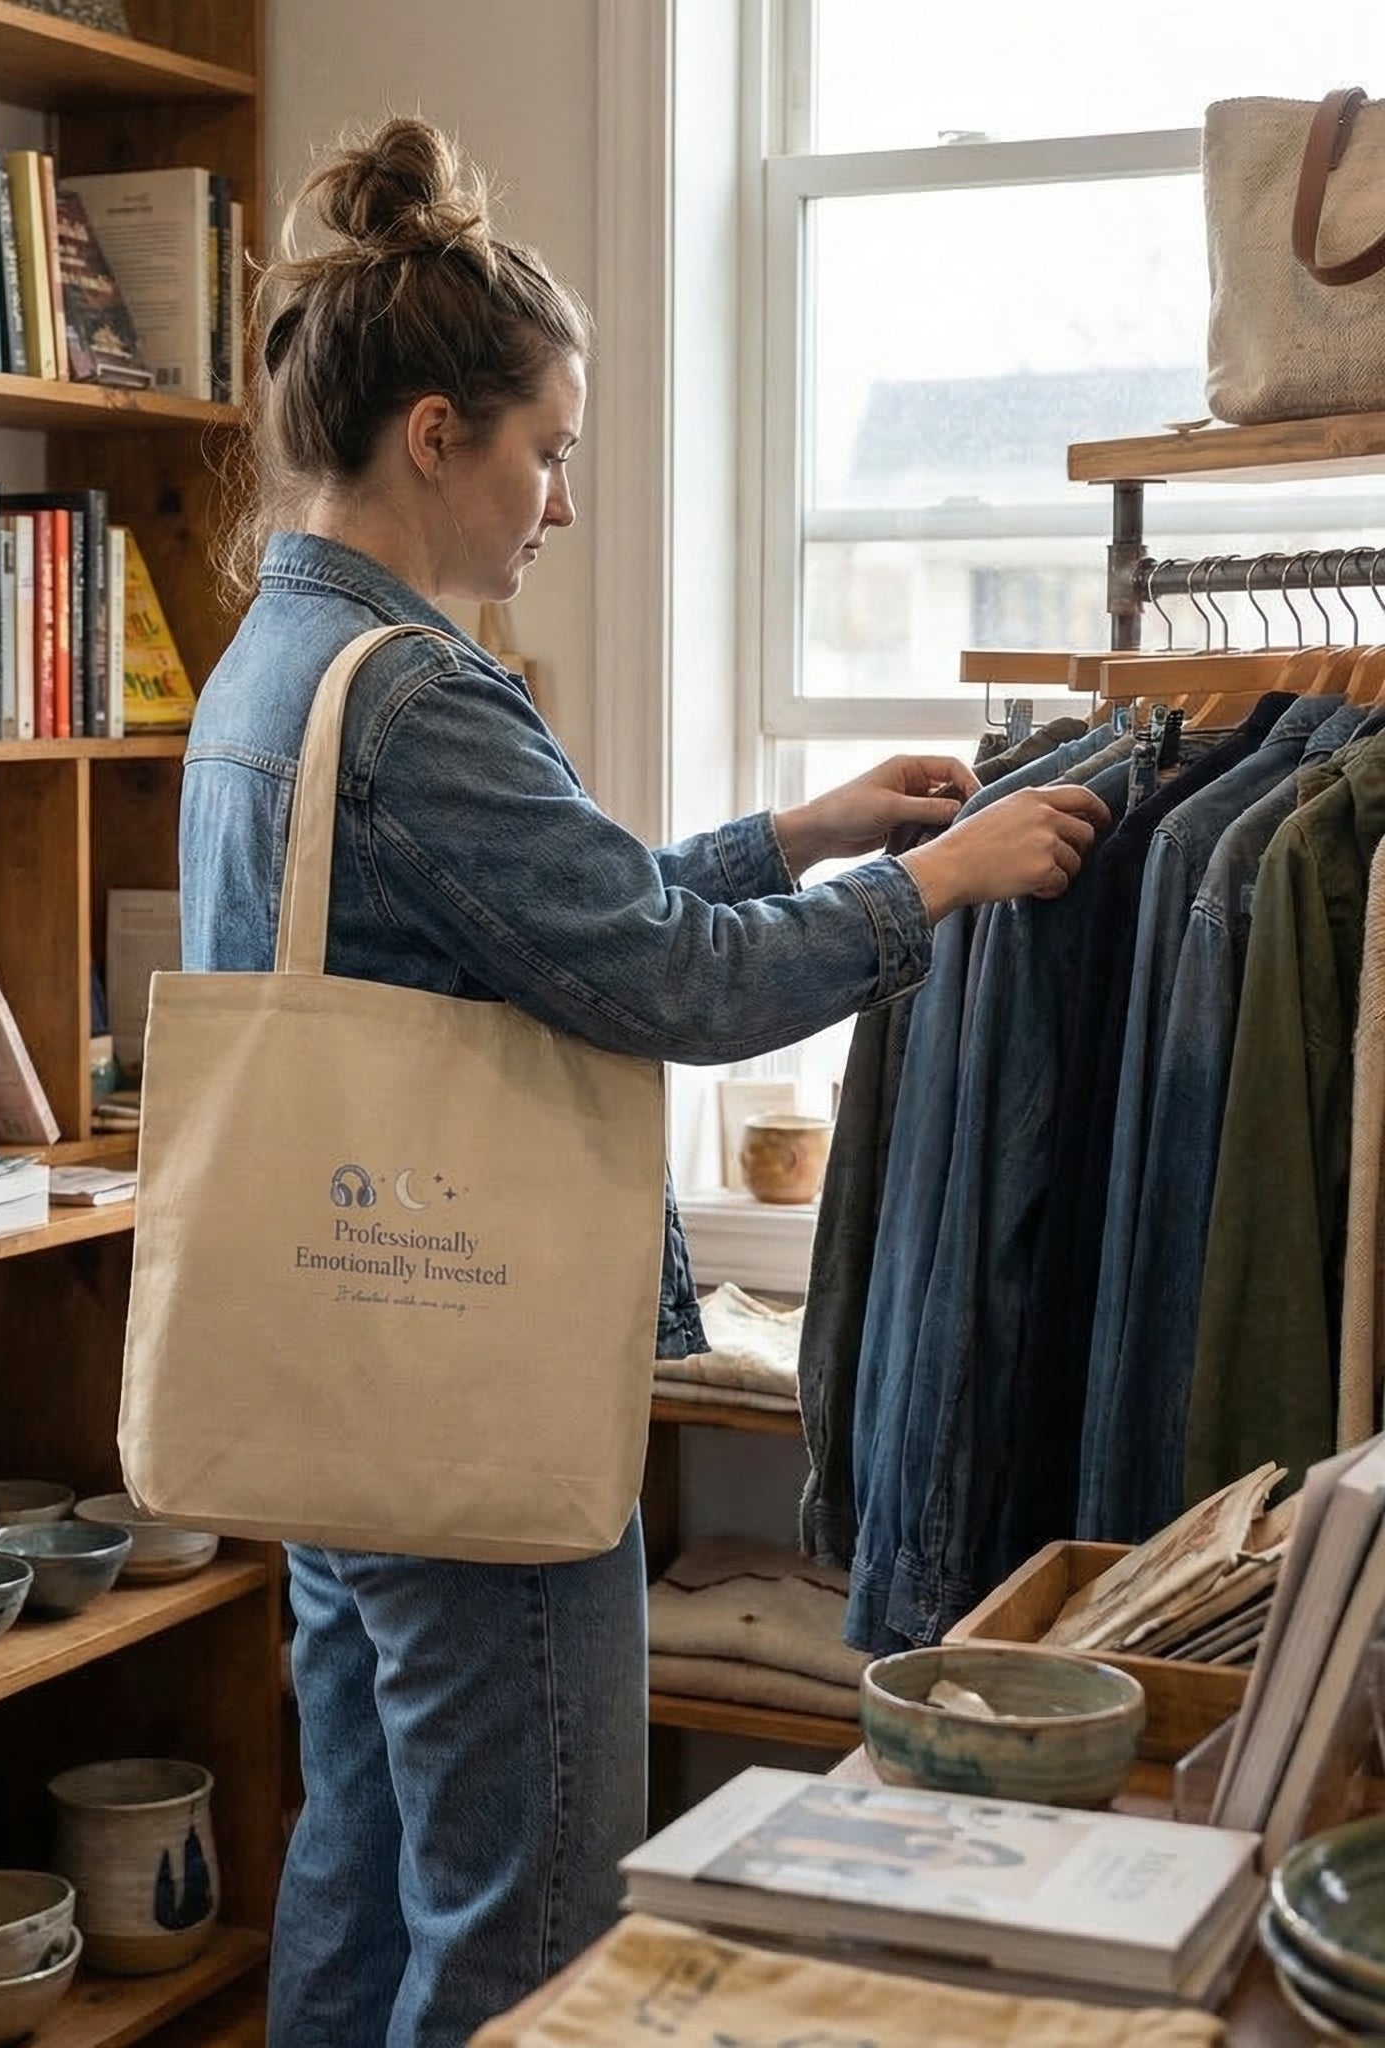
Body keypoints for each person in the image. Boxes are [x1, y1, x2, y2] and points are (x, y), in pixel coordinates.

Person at [178, 115, 1108, 2048]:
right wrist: (924, 882)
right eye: (550, 453)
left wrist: (793, 830)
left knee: (357, 1870)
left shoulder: (278, 661)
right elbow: (664, 984)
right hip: (476, 1396)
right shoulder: (422, 699)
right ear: (437, 435)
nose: (562, 505)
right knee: (516, 1930)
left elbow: (546, 925)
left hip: (342, 1376)